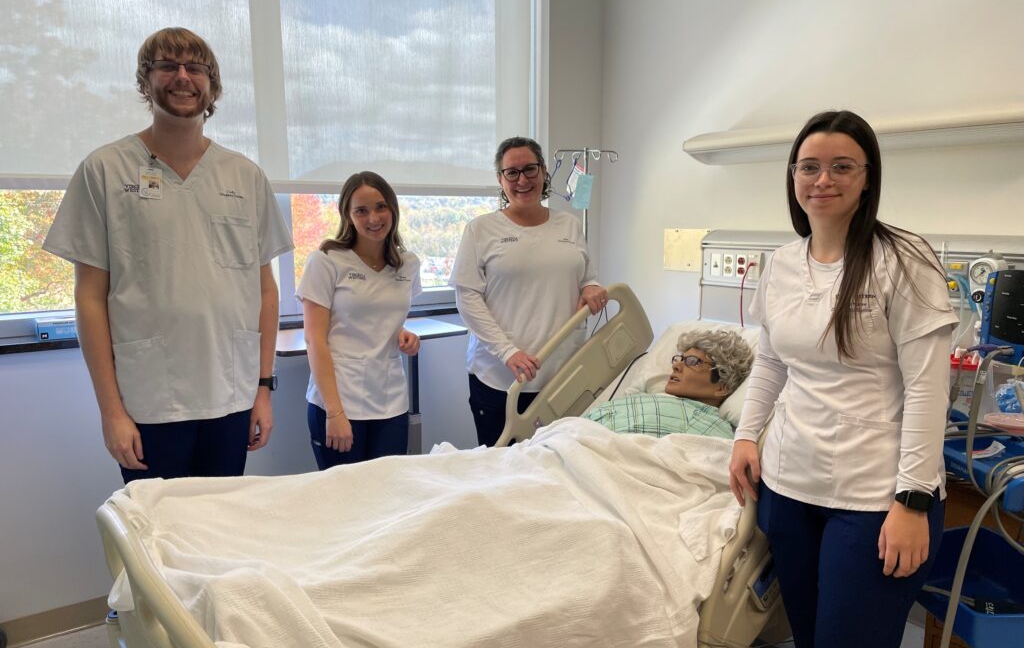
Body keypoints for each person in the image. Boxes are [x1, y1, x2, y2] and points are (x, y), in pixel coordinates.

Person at [728, 110, 956, 648]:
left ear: (866, 177)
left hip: (875, 498)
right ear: (793, 176)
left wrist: (912, 500)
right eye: (809, 166)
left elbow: (930, 388)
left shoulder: (902, 259)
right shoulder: (780, 263)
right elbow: (773, 362)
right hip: (789, 487)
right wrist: (746, 435)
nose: (821, 179)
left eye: (840, 166)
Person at [43, 27, 293, 482]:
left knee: (221, 530)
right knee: (157, 538)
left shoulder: (245, 175)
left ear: (212, 86)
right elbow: (89, 299)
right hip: (149, 400)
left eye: (195, 68)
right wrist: (111, 412)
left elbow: (265, 290)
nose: (182, 77)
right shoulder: (106, 169)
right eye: (167, 66)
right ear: (146, 81)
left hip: (231, 395)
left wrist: (263, 389)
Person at [450, 136, 608, 447]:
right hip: (499, 377)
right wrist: (508, 352)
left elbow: (588, 276)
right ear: (500, 179)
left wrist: (593, 288)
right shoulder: (480, 230)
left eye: (530, 169)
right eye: (512, 172)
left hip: (562, 376)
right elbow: (467, 299)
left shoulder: (570, 225)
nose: (522, 180)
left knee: (556, 466)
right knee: (500, 470)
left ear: (544, 172)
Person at [296, 172, 422, 468]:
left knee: (386, 494)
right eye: (361, 210)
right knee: (343, 502)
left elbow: (378, 315)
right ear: (347, 215)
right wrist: (335, 413)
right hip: (340, 402)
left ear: (393, 209)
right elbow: (314, 339)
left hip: (390, 401)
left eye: (380, 207)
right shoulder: (326, 260)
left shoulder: (408, 264)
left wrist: (404, 333)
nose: (373, 218)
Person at [585, 329, 752, 439]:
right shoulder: (642, 399)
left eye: (692, 361)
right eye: (678, 359)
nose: (676, 365)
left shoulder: (715, 430)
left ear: (721, 387)